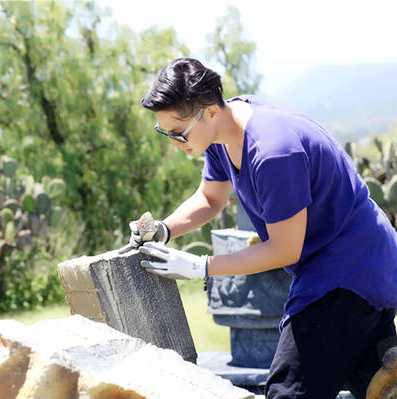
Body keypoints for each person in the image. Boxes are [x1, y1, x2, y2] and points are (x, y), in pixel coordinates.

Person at [123, 58, 397, 398]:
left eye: (178, 133)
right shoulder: (222, 135)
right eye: (164, 132)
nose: (174, 143)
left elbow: (284, 249)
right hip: (355, 266)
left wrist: (199, 266)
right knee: (376, 386)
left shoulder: (272, 153)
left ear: (209, 111)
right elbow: (210, 198)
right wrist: (164, 230)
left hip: (349, 271)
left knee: (288, 391)